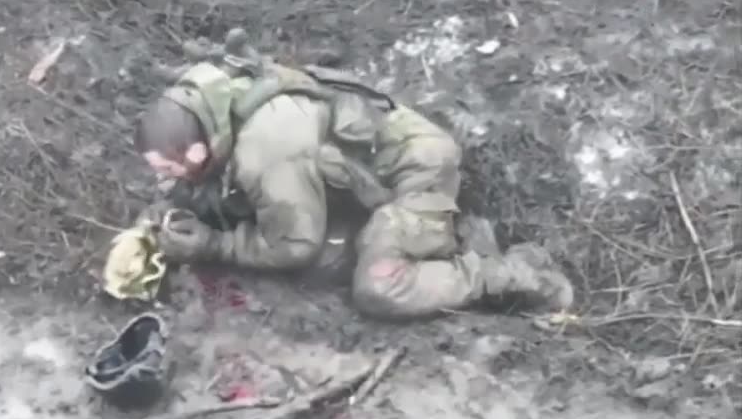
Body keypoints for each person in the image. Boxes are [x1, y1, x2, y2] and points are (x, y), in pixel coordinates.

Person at [134, 30, 573, 320]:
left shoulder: (268, 151)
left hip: (415, 173)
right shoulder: (203, 95)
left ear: (196, 149)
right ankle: (455, 238)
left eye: (169, 169)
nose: (165, 179)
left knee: (378, 288)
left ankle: (511, 273)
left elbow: (292, 249)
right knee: (325, 255)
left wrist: (214, 245)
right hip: (354, 173)